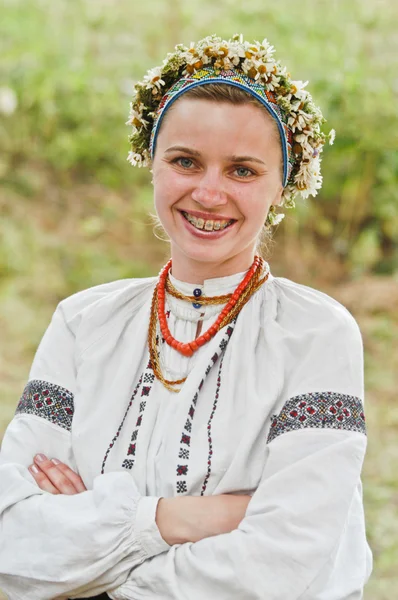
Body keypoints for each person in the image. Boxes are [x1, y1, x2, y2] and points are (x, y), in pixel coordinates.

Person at [0, 34, 372, 599]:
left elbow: (287, 559)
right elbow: (12, 540)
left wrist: (94, 557)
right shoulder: (83, 323)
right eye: (185, 161)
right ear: (151, 164)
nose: (209, 192)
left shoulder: (316, 335)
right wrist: (175, 520)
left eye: (243, 171)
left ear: (283, 187)